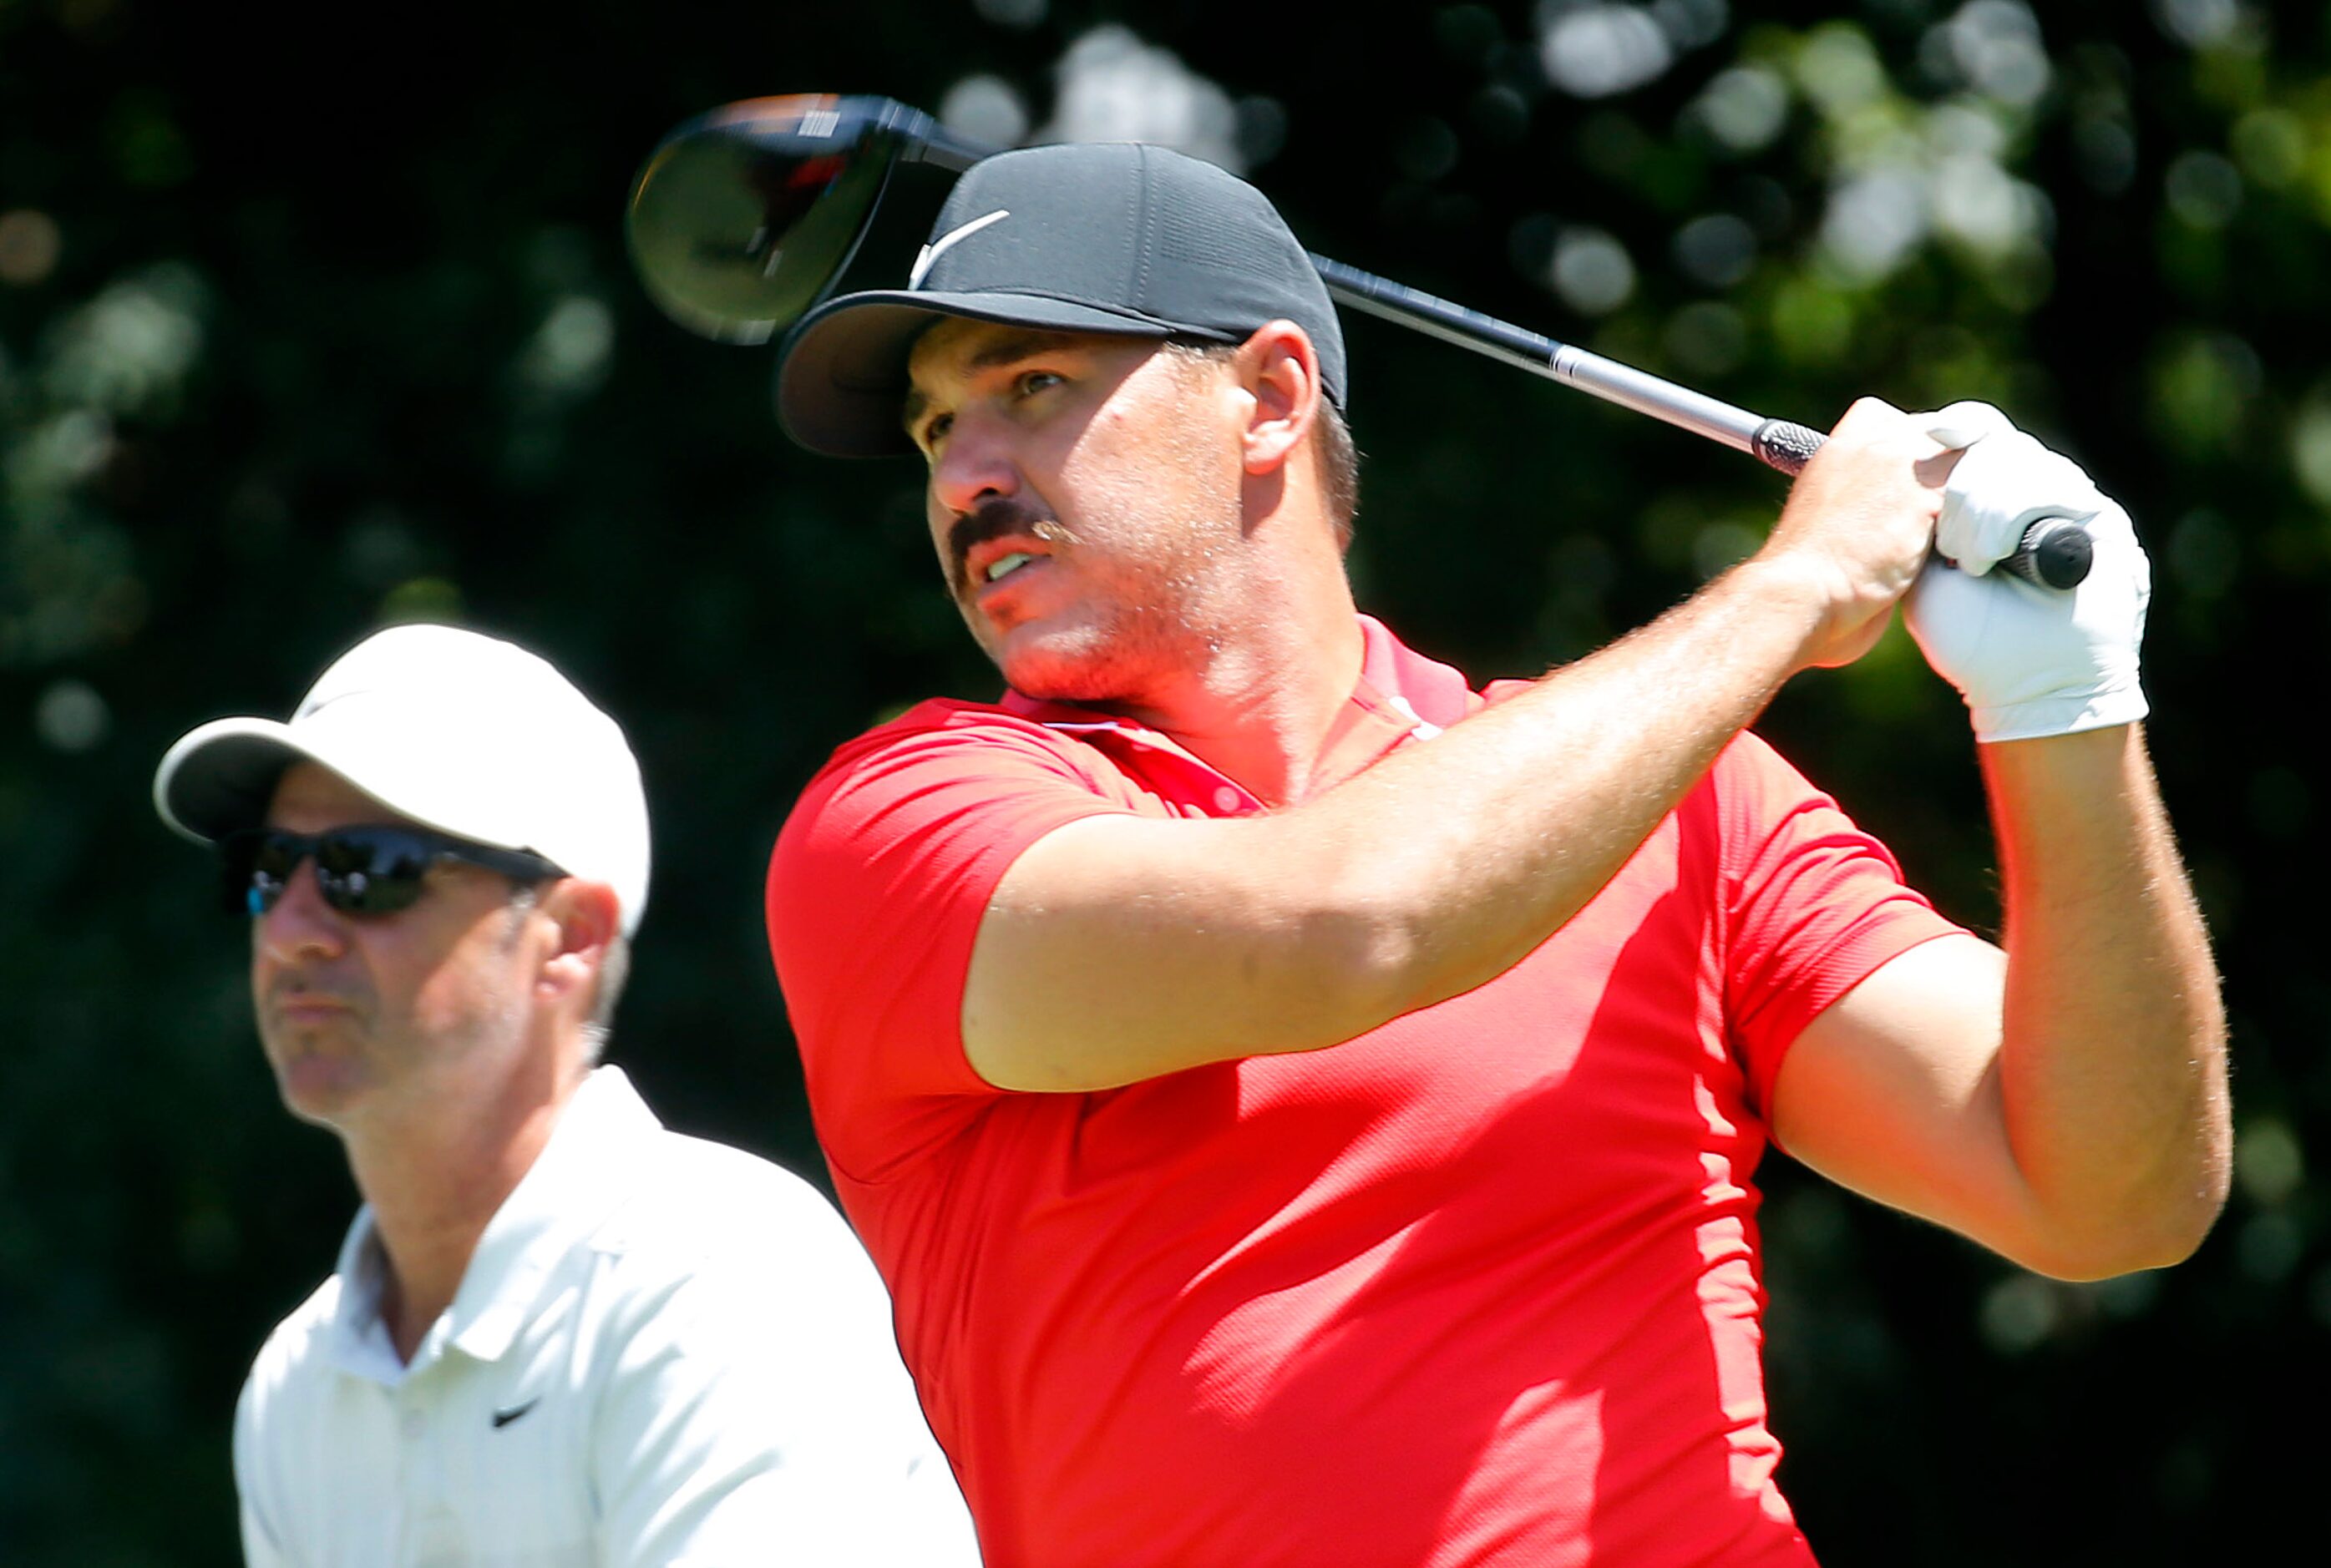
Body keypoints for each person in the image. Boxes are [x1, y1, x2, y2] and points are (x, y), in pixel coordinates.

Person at [763, 142, 2229, 1567]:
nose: (968, 478)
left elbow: (2108, 1193)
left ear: (1270, 397)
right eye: (936, 428)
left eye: (1031, 387)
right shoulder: (904, 821)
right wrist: (1794, 584)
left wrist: (2065, 713)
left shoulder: (1678, 797)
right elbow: (1349, 924)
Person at [154, 622, 980, 1567]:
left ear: (570, 938)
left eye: (368, 870)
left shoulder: (719, 1276)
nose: (293, 926)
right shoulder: (299, 1389)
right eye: (268, 869)